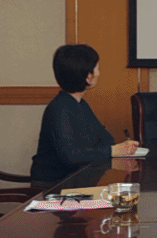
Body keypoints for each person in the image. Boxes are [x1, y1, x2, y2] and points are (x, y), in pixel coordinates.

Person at [30, 44, 138, 186]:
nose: (99, 73)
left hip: (76, 179)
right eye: (97, 68)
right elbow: (71, 156)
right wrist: (112, 150)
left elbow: (107, 139)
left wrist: (97, 150)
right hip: (54, 186)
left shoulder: (80, 103)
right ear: (88, 76)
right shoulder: (60, 108)